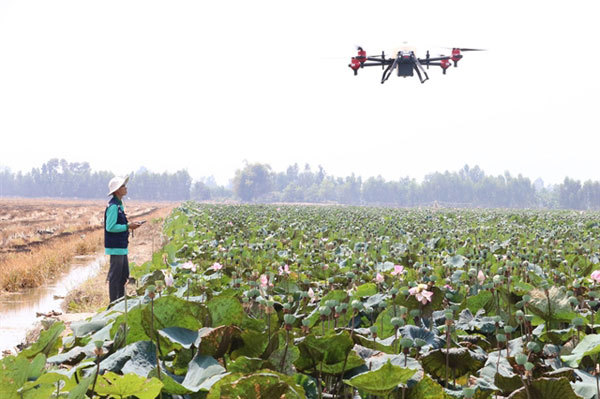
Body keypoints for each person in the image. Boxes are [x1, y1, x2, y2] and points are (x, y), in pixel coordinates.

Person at [104, 176, 142, 302]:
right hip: (116, 247)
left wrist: (130, 225)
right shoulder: (113, 206)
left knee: (123, 275)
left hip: (121, 247)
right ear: (116, 191)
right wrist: (127, 226)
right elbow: (110, 227)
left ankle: (120, 300)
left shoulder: (119, 205)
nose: (125, 188)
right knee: (115, 277)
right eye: (122, 186)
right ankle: (113, 303)